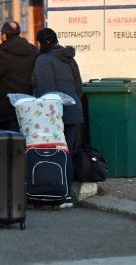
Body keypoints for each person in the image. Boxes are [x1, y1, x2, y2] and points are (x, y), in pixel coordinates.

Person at [32, 27, 83, 208]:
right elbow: (79, 87)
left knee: (59, 154)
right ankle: (68, 194)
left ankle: (62, 195)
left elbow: (47, 93)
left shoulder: (43, 60)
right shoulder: (69, 58)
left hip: (56, 113)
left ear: (40, 43)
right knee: (67, 152)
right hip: (74, 109)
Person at [0, 21, 38, 132]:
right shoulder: (33, 50)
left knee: (9, 143)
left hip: (9, 107)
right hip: (29, 105)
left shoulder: (4, 54)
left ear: (4, 36)